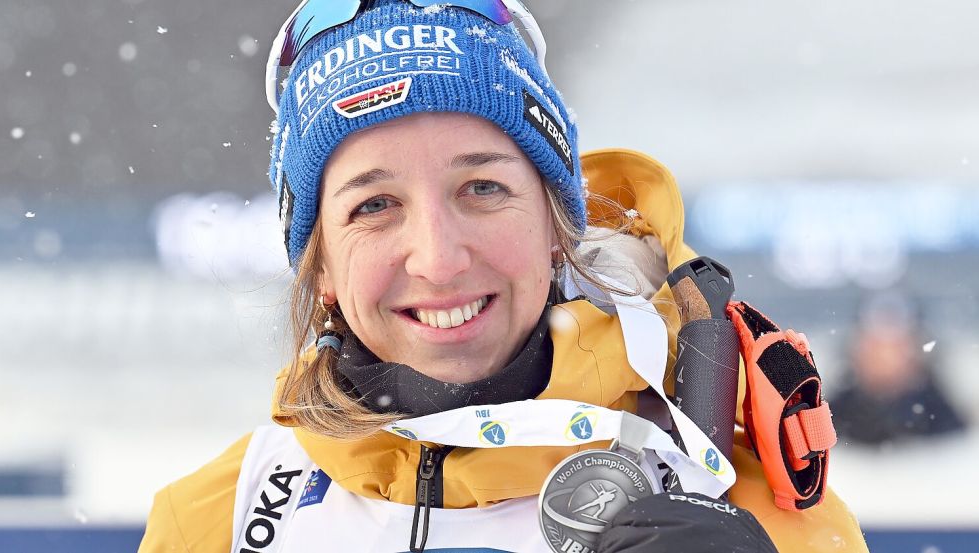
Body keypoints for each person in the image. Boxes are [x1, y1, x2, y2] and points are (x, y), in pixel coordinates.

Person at [139, 1, 867, 551]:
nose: (438, 257)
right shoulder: (212, 521)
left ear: (557, 222)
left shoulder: (764, 518)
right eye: (375, 205)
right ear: (321, 263)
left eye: (482, 188)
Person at [831, 290, 966, 446]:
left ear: (916, 349)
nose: (886, 357)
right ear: (856, 349)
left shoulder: (944, 418)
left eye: (897, 346)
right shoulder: (832, 416)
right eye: (876, 345)